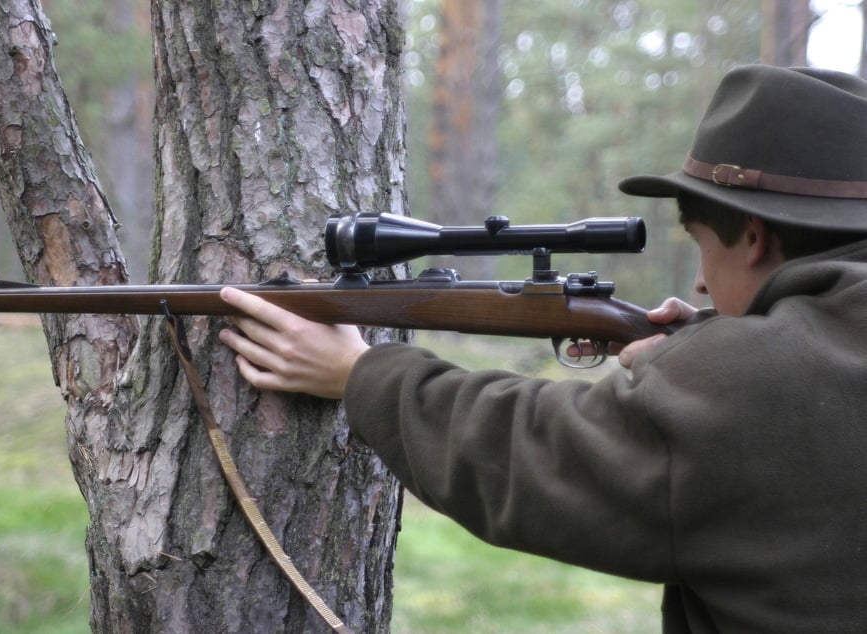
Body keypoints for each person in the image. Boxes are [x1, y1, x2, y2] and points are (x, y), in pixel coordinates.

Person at [218, 65, 867, 632]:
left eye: (702, 244)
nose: (697, 282)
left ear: (751, 237)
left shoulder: (757, 377)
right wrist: (706, 350)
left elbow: (534, 455)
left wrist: (358, 372)